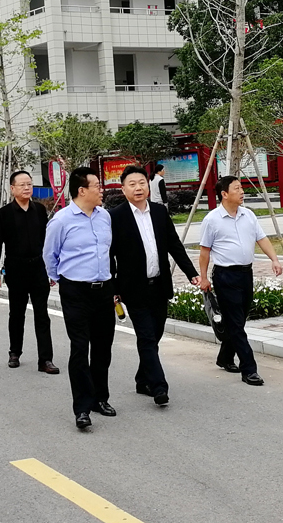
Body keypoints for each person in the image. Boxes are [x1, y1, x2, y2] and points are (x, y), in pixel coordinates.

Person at [110, 165, 200, 406]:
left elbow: (174, 245)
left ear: (148, 186)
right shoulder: (115, 216)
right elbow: (109, 255)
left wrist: (192, 274)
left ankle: (142, 379)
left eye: (142, 183)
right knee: (147, 337)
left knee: (155, 334)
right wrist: (113, 287)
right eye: (132, 184)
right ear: (123, 189)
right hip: (133, 288)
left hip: (159, 285)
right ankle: (159, 386)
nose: (138, 188)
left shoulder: (159, 212)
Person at [43, 167, 115, 430]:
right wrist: (62, 279)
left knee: (103, 347)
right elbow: (49, 255)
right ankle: (82, 408)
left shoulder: (104, 216)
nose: (101, 190)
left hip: (103, 290)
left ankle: (100, 398)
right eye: (97, 186)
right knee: (80, 348)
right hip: (75, 292)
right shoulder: (61, 221)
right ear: (82, 190)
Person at [199, 176, 283, 386]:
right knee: (236, 323)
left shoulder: (249, 215)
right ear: (224, 194)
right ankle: (249, 369)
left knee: (239, 319)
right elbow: (204, 251)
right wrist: (204, 277)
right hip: (225, 276)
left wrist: (274, 259)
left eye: (241, 187)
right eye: (237, 188)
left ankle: (225, 357)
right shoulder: (212, 219)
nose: (242, 191)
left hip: (246, 274)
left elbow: (261, 238)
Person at [0, 170, 59, 374]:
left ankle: (45, 359)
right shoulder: (4, 213)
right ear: (12, 189)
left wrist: (52, 269)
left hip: (38, 268)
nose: (27, 188)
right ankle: (14, 352)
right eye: (22, 185)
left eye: (29, 184)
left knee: (42, 315)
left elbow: (47, 242)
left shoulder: (40, 210)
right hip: (16, 269)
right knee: (17, 314)